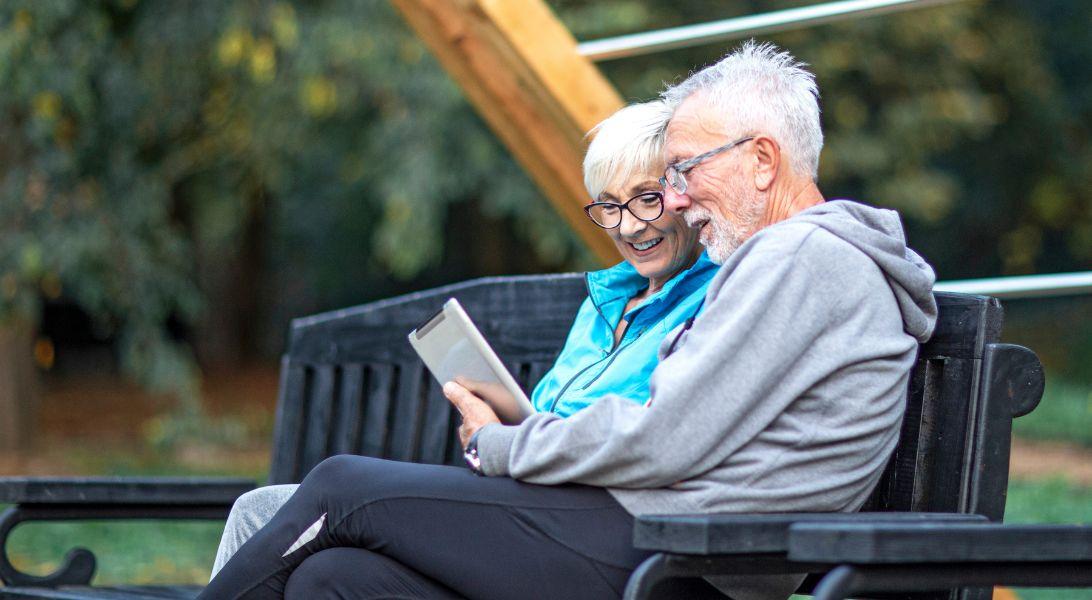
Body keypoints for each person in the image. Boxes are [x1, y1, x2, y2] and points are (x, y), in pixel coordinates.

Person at [202, 41, 937, 600]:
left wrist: (499, 444)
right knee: (334, 580)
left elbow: (662, 437)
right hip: (663, 537)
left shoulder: (801, 256)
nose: (677, 198)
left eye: (685, 170)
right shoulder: (799, 261)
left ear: (764, 161)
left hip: (681, 552)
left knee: (340, 488)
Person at [208, 100, 717, 578]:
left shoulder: (717, 300)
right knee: (324, 572)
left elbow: (645, 436)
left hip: (578, 524)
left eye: (646, 199)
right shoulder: (603, 302)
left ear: (684, 195)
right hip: (518, 491)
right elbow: (543, 415)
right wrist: (495, 426)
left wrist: (505, 442)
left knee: (328, 489)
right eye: (609, 206)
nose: (628, 227)